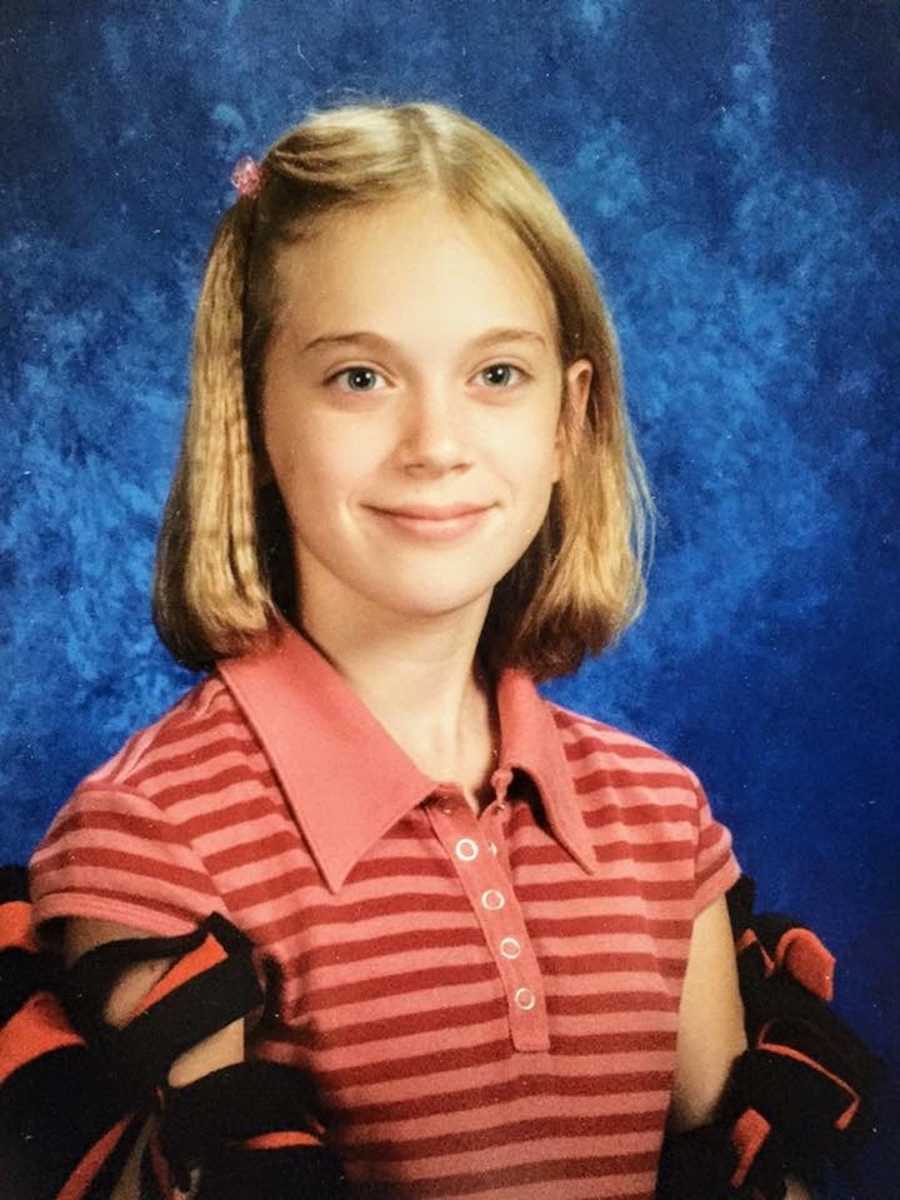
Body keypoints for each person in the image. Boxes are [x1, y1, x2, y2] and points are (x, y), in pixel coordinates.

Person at [25, 100, 806, 1199]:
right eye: (361, 377)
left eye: (497, 375)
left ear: (567, 425)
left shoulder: (661, 821)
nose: (436, 445)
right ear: (251, 415)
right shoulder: (154, 840)